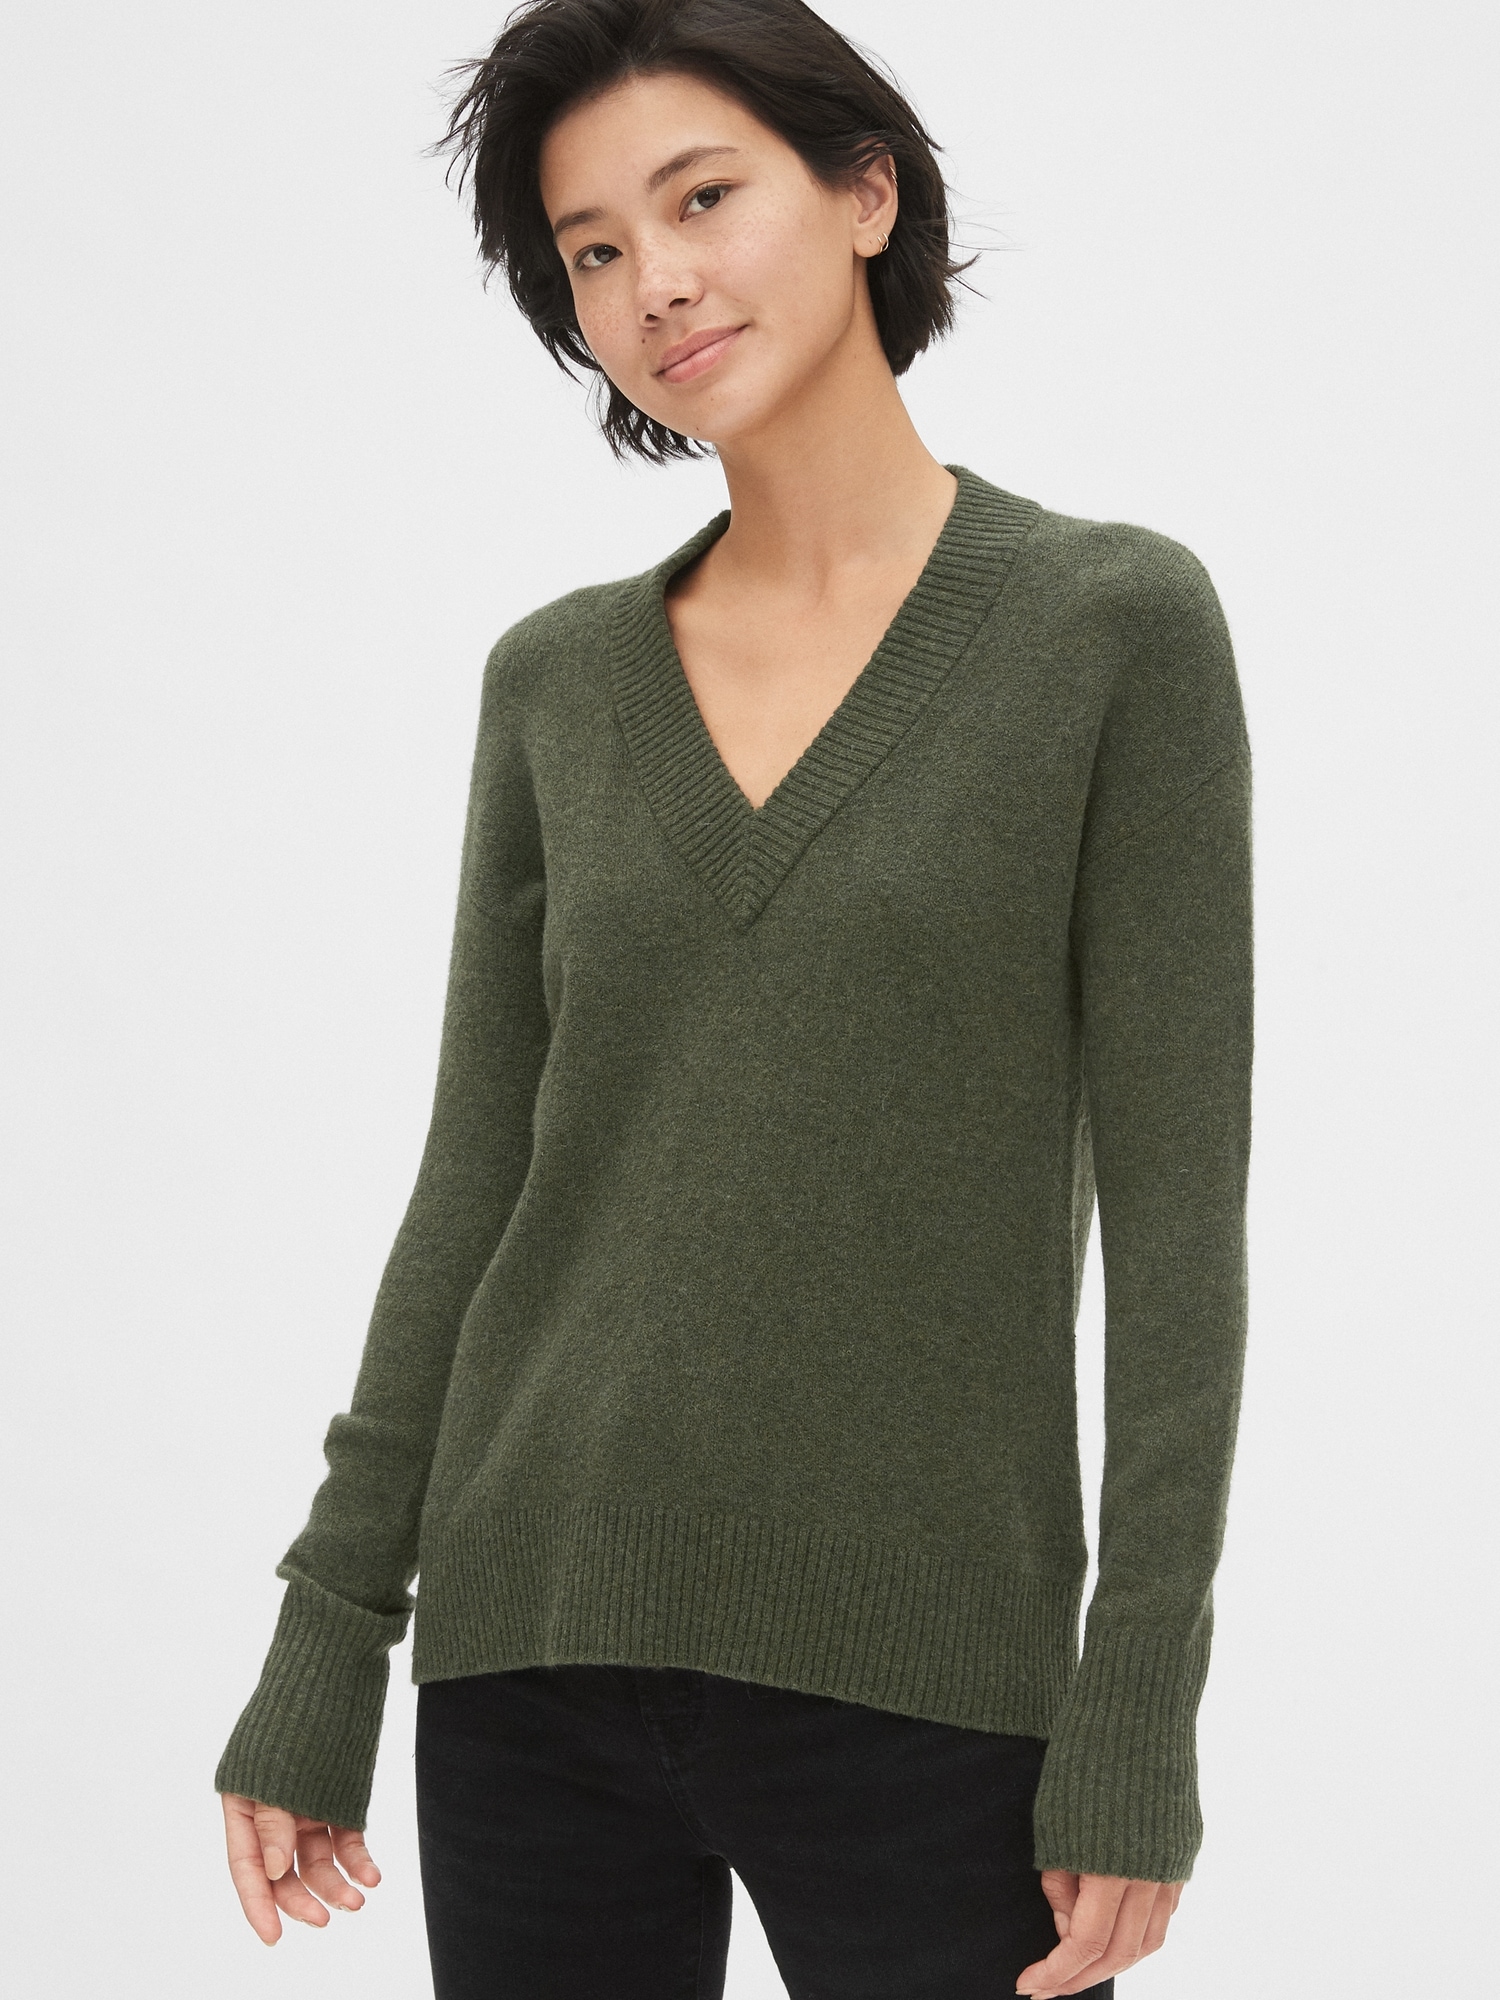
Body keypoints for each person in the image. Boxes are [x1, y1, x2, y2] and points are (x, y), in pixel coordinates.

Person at [215, 3, 1254, 1996]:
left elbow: (1181, 1226)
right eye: (594, 248)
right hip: (528, 1664)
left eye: (702, 200)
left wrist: (1138, 1704)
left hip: (929, 1684)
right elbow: (475, 1183)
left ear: (865, 191)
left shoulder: (1112, 630)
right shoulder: (555, 683)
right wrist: (327, 1634)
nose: (656, 282)